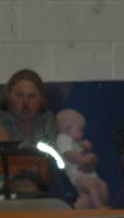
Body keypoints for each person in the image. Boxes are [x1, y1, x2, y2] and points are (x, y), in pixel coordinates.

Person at [0, 69, 86, 205]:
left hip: (51, 177)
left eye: (32, 96)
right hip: (14, 182)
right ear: (8, 96)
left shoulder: (49, 121)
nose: (25, 103)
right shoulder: (2, 123)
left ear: (41, 98)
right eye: (19, 95)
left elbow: (62, 154)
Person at [56, 109, 109, 208]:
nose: (82, 134)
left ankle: (102, 204)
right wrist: (83, 160)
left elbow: (83, 154)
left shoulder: (74, 142)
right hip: (76, 176)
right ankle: (99, 208)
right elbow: (69, 154)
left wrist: (86, 148)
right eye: (80, 130)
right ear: (68, 128)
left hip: (87, 174)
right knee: (91, 186)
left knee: (103, 186)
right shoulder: (63, 138)